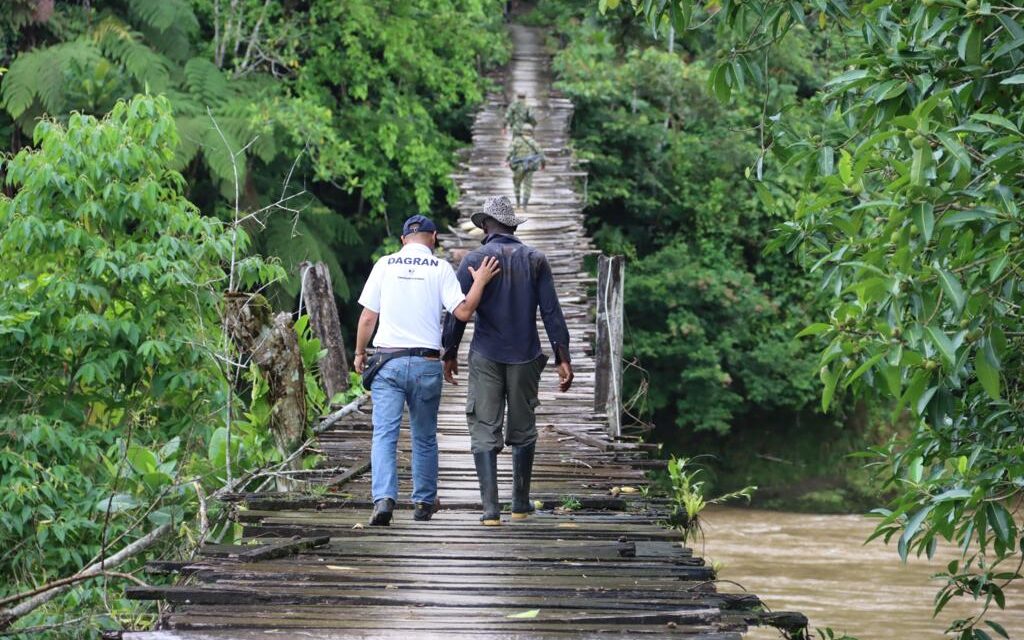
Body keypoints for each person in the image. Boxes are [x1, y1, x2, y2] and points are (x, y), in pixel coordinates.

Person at [354, 215, 501, 526]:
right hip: (426, 364)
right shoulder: (440, 268)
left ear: (404, 239)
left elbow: (368, 317)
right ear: (433, 237)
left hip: (388, 362)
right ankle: (423, 501)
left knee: (384, 434)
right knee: (424, 436)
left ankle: (383, 499)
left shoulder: (384, 264)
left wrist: (358, 353)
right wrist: (480, 282)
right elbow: (462, 311)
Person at [441, 196, 574, 526]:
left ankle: (490, 510)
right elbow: (551, 311)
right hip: (526, 354)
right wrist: (563, 356)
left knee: (483, 426)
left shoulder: (474, 259)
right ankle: (520, 503)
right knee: (523, 427)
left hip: (486, 353)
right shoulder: (535, 259)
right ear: (512, 225)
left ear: (485, 225)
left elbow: (457, 313)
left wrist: (450, 352)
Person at [507, 124, 545, 211]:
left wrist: (507, 160)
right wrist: (543, 164)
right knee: (527, 186)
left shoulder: (516, 141)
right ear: (531, 132)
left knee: (517, 184)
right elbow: (541, 154)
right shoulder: (533, 142)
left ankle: (517, 204)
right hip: (529, 166)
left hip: (518, 166)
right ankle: (524, 206)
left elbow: (510, 152)